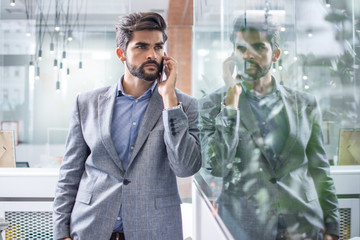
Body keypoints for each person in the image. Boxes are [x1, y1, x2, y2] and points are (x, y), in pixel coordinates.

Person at [53, 12, 201, 240]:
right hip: (90, 227)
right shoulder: (87, 103)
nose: (152, 55)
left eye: (158, 47)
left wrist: (169, 100)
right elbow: (70, 174)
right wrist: (61, 233)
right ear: (121, 54)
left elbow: (185, 167)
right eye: (141, 47)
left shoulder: (183, 106)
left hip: (154, 229)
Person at [199, 16, 340, 240]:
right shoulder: (212, 104)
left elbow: (320, 170)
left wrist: (332, 229)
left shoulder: (305, 103)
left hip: (304, 225)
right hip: (244, 228)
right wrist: (231, 105)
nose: (248, 55)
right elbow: (216, 166)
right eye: (241, 48)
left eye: (258, 47)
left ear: (275, 54)